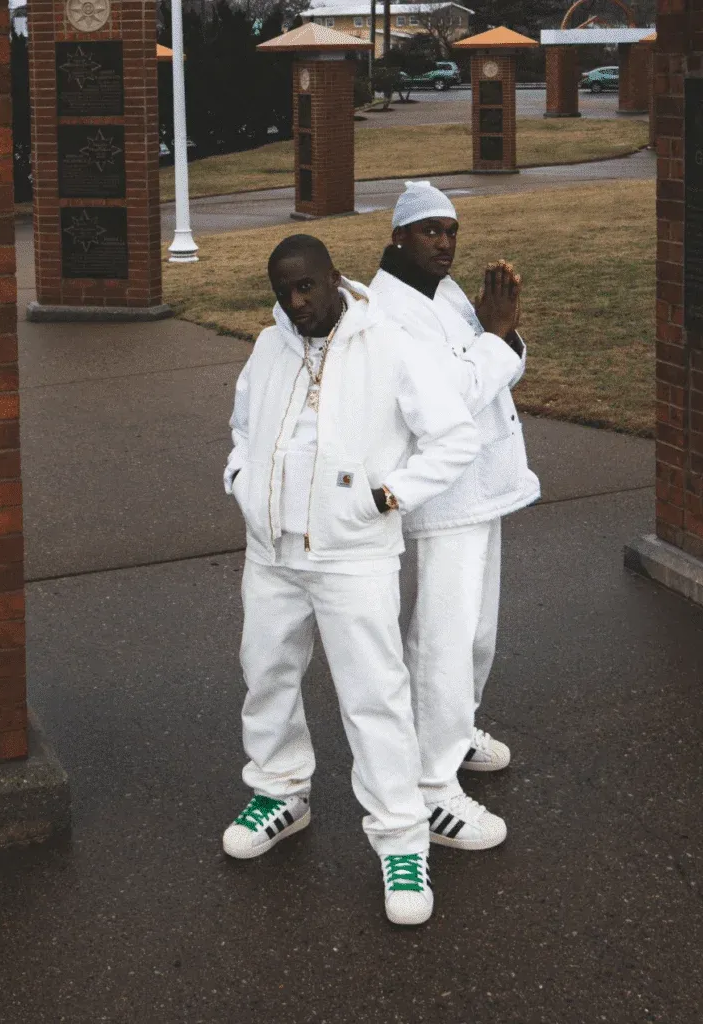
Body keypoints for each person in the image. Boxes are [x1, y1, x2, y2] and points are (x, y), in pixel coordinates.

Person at [222, 234, 480, 926]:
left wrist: (387, 496)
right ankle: (280, 792)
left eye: (306, 286)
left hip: (353, 553)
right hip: (271, 550)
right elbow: (243, 428)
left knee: (374, 698)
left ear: (334, 277)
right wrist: (241, 480)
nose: (295, 302)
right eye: (283, 291)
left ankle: (401, 840)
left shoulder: (388, 344)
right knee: (266, 673)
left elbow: (454, 435)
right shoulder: (268, 346)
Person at [370, 181, 540, 852]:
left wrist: (505, 332)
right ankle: (430, 786)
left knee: (477, 631)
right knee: (442, 637)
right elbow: (452, 393)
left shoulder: (441, 292)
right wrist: (494, 337)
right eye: (430, 231)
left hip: (483, 485)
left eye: (451, 231)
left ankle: (455, 728)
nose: (445, 243)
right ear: (398, 237)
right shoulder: (389, 309)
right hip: (444, 496)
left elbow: (499, 372)